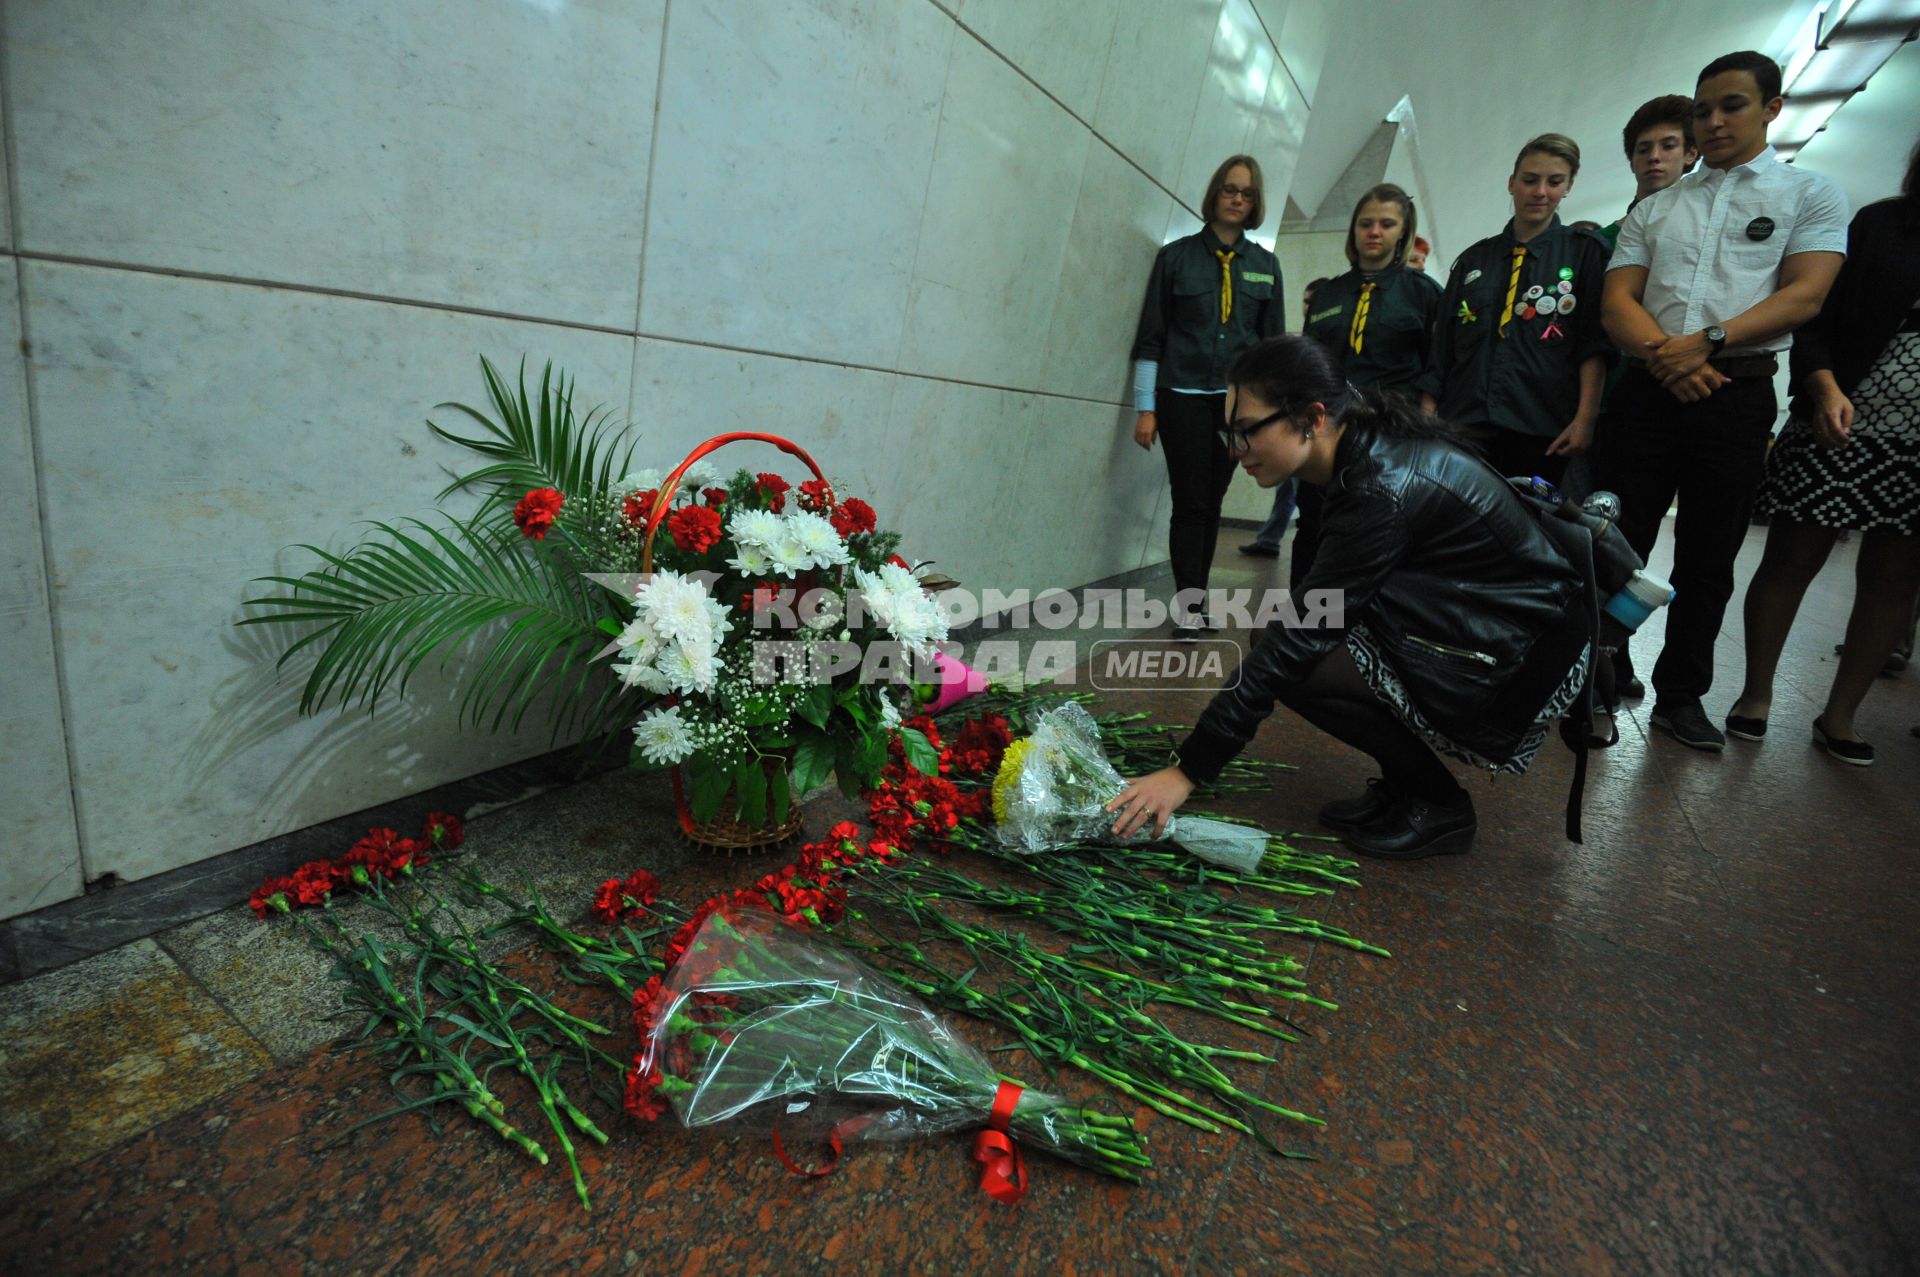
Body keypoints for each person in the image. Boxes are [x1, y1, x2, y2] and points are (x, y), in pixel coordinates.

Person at [1107, 335, 1590, 860]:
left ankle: (1440, 803)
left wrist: (1187, 771)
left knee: (1296, 661)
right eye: (1231, 432)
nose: (1234, 450)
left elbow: (1302, 636)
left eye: (1246, 432)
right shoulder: (1361, 448)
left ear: (1312, 418)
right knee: (1283, 637)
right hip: (1493, 628)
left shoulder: (1378, 488)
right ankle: (1406, 786)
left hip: (1524, 662)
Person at [1594, 51, 1848, 751]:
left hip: (1736, 393)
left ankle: (1680, 697)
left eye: (1731, 105)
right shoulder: (1658, 205)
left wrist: (1705, 341)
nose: (1712, 121)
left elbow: (1806, 293)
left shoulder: (1810, 194)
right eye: (1703, 109)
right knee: (1615, 543)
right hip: (1650, 388)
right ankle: (1591, 678)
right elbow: (1619, 302)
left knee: (1709, 555)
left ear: (1772, 107)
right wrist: (1668, 357)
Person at [1726, 139, 1920, 765]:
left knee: (1894, 578)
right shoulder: (1883, 224)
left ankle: (1841, 716)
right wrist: (1824, 386)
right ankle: (1756, 695)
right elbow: (1818, 319)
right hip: (1839, 419)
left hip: (1917, 447)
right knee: (1791, 558)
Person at [1131, 156, 1286, 640]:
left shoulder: (1265, 266)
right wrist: (1145, 408)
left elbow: (1271, 348)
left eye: (1247, 193)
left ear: (1255, 203)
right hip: (1181, 396)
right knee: (1190, 499)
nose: (1237, 199)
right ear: (1214, 195)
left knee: (1212, 501)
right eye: (1229, 190)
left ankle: (1196, 603)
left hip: (1236, 406)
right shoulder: (1176, 257)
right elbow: (1151, 336)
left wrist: (1269, 415)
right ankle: (1188, 605)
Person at [1419, 134, 1611, 488]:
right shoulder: (1475, 259)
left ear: (1568, 187)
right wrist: (1428, 415)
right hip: (1466, 423)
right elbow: (1442, 346)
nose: (1540, 192)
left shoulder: (1584, 253)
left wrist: (1585, 419)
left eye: (1554, 182)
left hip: (1541, 424)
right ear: (1512, 183)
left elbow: (1592, 344)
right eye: (1529, 180)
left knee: (1529, 532)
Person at [1588, 94, 1699, 694]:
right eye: (1643, 148)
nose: (1654, 158)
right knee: (1618, 540)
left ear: (1691, 152)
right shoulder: (1604, 237)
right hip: (1618, 403)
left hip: (1694, 393)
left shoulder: (1705, 230)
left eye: (1668, 146)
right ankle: (1604, 656)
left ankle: (1662, 676)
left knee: (1696, 553)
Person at [1288, 185, 1445, 589]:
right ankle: (1301, 622)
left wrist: (1426, 428)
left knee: (1377, 529)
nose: (1374, 231)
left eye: (1386, 224)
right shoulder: (1328, 293)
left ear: (1402, 232)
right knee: (1314, 526)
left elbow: (1438, 364)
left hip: (1391, 433)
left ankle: (1364, 633)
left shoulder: (1423, 294)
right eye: (1365, 223)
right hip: (1326, 430)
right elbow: (1307, 364)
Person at [1240, 276, 1332, 559]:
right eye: (1305, 301)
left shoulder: (1321, 346)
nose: (1308, 307)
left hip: (1309, 433)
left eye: (1313, 302)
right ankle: (1269, 539)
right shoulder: (1299, 341)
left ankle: (1270, 539)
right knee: (1288, 492)